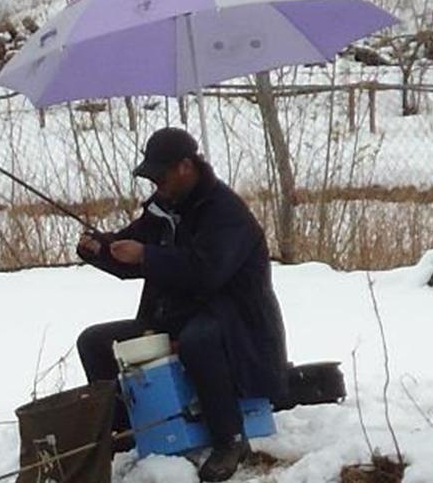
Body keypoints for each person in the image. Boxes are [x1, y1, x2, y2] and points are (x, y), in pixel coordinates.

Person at [75, 127, 287, 483]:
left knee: (198, 340)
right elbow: (132, 256)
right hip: (177, 314)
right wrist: (99, 250)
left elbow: (205, 273)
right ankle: (127, 429)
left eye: (160, 175)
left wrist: (146, 254)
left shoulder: (225, 212)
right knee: (95, 342)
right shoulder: (162, 210)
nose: (155, 183)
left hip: (235, 320)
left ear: (185, 167)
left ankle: (229, 439)